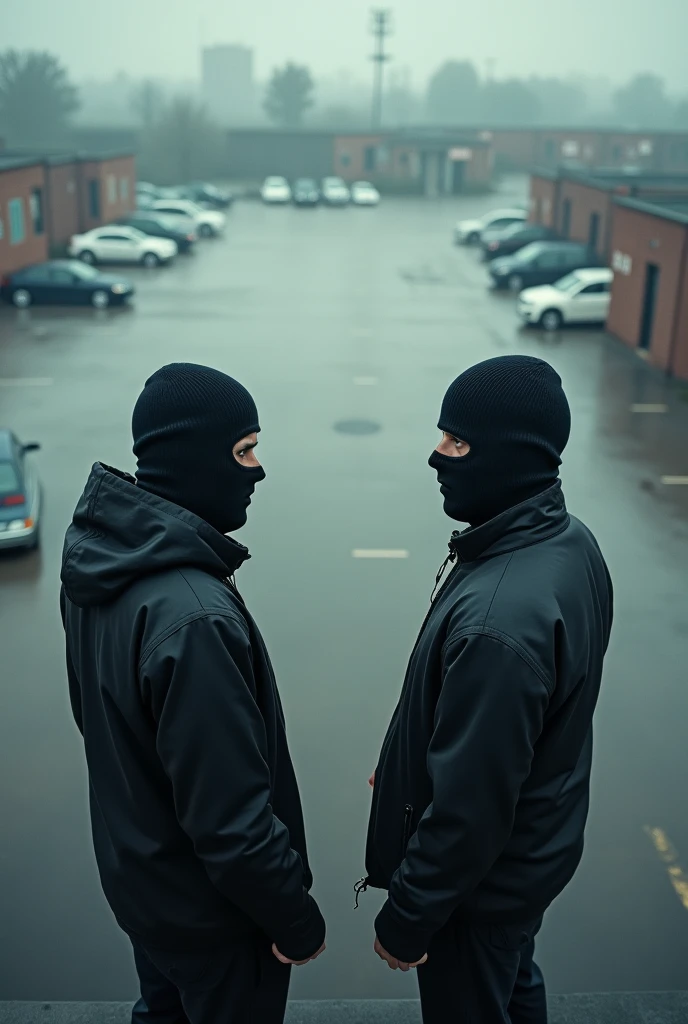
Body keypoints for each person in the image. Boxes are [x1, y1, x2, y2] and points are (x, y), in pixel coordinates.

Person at [60, 363, 325, 1024]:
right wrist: (295, 918)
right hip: (217, 923)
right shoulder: (193, 615)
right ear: (193, 457)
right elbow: (232, 822)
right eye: (244, 450)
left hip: (149, 893)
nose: (258, 470)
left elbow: (99, 727)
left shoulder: (101, 564)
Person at [362, 355, 613, 1023]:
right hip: (525, 866)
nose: (436, 456)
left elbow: (471, 806)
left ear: (510, 455)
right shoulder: (566, 543)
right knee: (514, 982)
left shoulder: (500, 618)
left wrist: (409, 917)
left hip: (477, 893)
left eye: (457, 440)